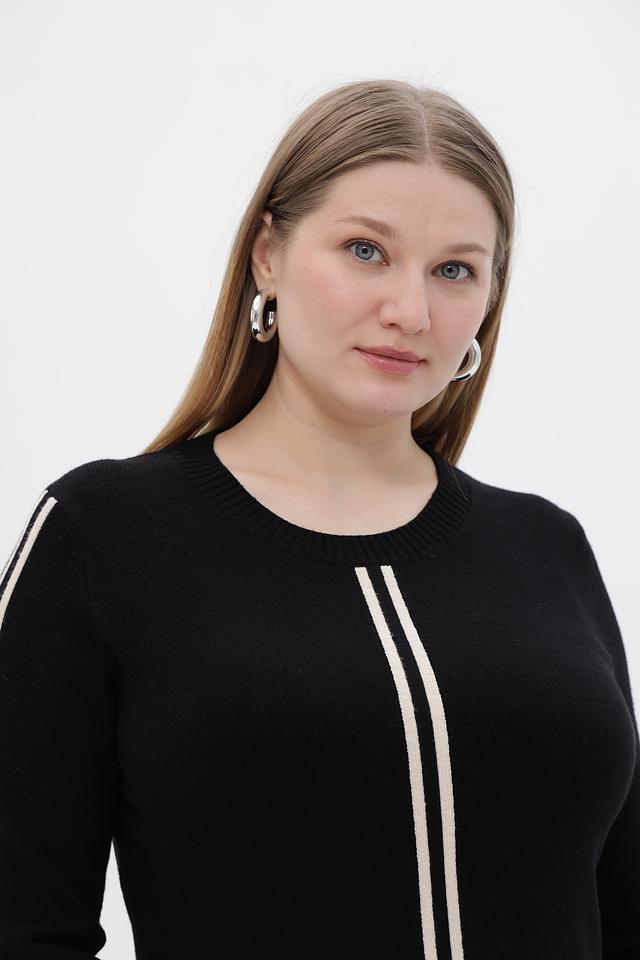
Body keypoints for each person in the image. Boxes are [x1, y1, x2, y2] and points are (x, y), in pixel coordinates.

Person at [1, 78, 638, 960]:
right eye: (365, 251)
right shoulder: (103, 535)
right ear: (268, 254)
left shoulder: (546, 548)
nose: (411, 312)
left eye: (455, 269)